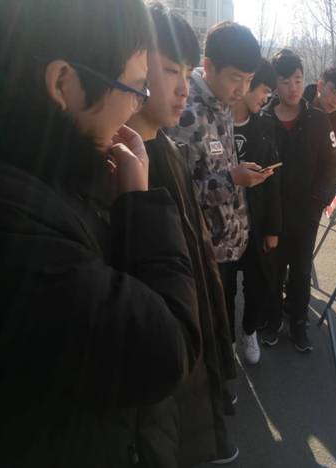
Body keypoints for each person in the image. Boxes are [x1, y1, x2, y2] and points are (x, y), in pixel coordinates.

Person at [0, 1, 202, 467]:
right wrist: (140, 207)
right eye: (134, 87)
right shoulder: (18, 227)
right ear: (62, 83)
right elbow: (166, 350)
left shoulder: (48, 174)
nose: (136, 106)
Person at [127, 4, 237, 465]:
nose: (183, 87)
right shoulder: (121, 163)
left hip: (191, 323)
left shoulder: (167, 148)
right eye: (171, 70)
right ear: (133, 65)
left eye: (188, 73)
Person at [167, 22, 271, 354]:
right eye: (236, 78)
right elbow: (177, 193)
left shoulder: (221, 101)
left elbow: (214, 164)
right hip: (204, 250)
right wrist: (232, 179)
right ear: (208, 66)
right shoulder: (184, 113)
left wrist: (236, 173)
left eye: (249, 80)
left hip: (229, 241)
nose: (242, 89)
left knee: (224, 315)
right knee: (211, 324)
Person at [261, 49, 336, 352]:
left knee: (301, 270)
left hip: (306, 212)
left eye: (298, 80)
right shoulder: (264, 119)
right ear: (275, 84)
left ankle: (298, 324)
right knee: (273, 270)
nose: (293, 88)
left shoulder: (318, 120)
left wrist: (318, 199)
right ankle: (271, 321)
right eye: (285, 82)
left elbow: (334, 164)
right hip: (273, 214)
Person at [231, 58, 281, 364]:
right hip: (222, 224)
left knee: (256, 282)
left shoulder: (264, 125)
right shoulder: (216, 119)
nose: (266, 98)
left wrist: (273, 228)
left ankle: (249, 331)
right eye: (264, 90)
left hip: (256, 222)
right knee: (224, 287)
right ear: (247, 83)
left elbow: (273, 179)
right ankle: (225, 339)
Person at [303, 67, 336, 187]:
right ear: (320, 85)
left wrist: (323, 196)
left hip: (315, 189)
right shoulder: (297, 105)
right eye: (334, 92)